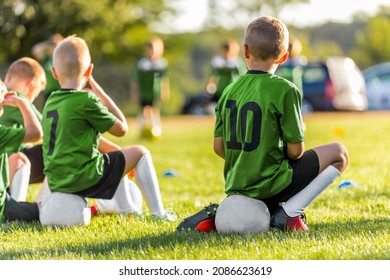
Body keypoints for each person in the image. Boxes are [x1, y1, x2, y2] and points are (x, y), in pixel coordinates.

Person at [177, 16, 348, 232]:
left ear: (245, 51)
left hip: (238, 185)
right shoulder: (285, 89)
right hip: (272, 184)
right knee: (339, 153)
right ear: (284, 57)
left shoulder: (228, 90)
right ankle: (289, 214)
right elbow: (296, 152)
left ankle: (259, 210)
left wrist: (250, 159)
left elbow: (219, 148)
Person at [42, 35, 175, 222]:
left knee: (116, 157)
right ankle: (159, 214)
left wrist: (118, 153)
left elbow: (72, 137)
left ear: (54, 73)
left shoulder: (51, 102)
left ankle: (128, 210)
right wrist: (100, 92)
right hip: (84, 178)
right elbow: (122, 129)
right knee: (141, 152)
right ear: (89, 71)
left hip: (58, 181)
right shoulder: (86, 100)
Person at [0, 57, 47, 201]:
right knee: (55, 150)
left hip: (6, 166)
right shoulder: (17, 97)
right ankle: (46, 201)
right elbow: (47, 128)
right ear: (30, 85)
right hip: (10, 166)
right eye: (36, 94)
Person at [0, 79, 42, 222]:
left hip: (6, 199)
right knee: (43, 209)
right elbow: (36, 133)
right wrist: (22, 102)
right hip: (3, 208)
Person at [130, 36, 170, 139]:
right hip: (143, 92)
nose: (151, 52)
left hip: (154, 92)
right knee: (143, 111)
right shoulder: (142, 64)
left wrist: (165, 91)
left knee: (154, 110)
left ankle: (156, 130)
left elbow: (165, 79)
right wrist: (134, 93)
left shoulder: (161, 63)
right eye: (149, 49)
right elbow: (135, 80)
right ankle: (141, 130)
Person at [205, 39, 246, 112]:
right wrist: (209, 87)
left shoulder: (237, 63)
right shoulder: (217, 61)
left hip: (233, 91)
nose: (227, 55)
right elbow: (212, 76)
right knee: (210, 106)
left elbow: (243, 78)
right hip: (220, 90)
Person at [32, 33, 63, 106]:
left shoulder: (63, 59)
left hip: (60, 91)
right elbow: (35, 49)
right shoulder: (46, 59)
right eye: (52, 46)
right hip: (48, 93)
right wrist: (48, 44)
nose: (54, 47)